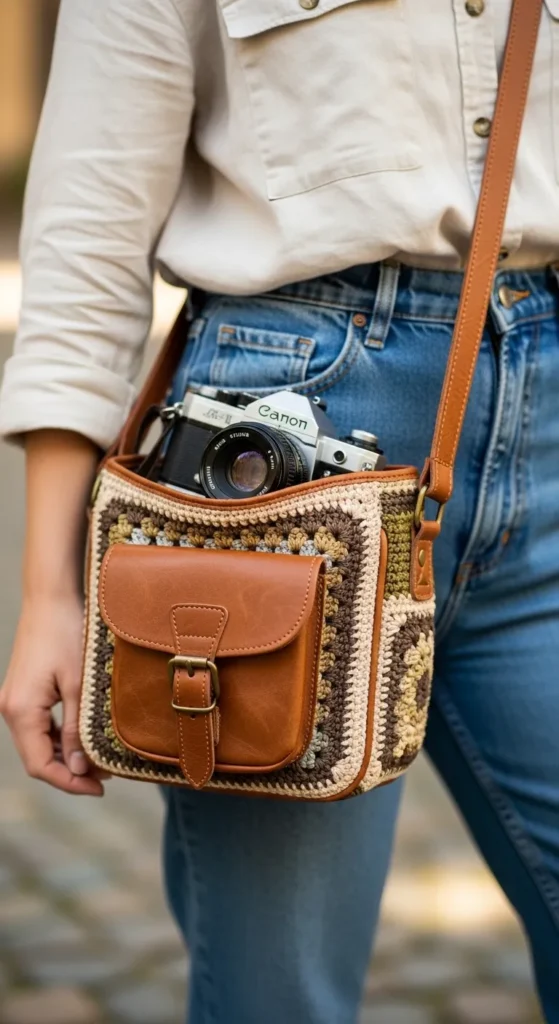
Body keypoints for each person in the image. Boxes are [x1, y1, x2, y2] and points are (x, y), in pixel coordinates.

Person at [1, 0, 558, 1020]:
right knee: (279, 988)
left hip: (544, 397)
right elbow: (91, 225)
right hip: (286, 437)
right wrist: (48, 592)